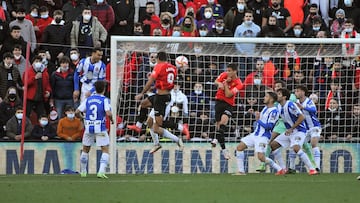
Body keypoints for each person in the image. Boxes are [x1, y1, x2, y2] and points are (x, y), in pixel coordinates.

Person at [134, 51, 184, 154]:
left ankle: (178, 136)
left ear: (158, 59)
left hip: (163, 99)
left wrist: (141, 93)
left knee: (157, 127)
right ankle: (154, 142)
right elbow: (168, 82)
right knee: (145, 109)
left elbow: (150, 81)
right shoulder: (173, 68)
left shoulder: (159, 66)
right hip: (161, 95)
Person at [270, 88, 318, 175]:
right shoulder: (279, 106)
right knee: (273, 145)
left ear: (284, 97)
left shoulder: (290, 105)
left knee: (296, 148)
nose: (277, 95)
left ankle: (312, 169)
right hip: (290, 132)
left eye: (279, 94)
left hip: (299, 131)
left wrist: (291, 128)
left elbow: (302, 117)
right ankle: (283, 169)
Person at [234, 92, 281, 175]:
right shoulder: (265, 108)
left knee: (261, 157)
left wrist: (258, 119)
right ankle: (241, 171)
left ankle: (280, 169)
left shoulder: (274, 112)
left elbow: (269, 126)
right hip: (255, 134)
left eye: (266, 96)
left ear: (272, 99)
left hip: (263, 137)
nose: (264, 98)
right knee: (239, 147)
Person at [76, 80, 114, 178]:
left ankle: (83, 172)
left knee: (85, 149)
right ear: (104, 89)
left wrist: (82, 118)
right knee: (105, 149)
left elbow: (77, 112)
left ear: (95, 89)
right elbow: (108, 113)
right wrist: (112, 120)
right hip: (100, 128)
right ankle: (101, 172)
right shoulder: (104, 99)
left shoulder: (88, 99)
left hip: (89, 127)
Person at [211, 63, 243, 160]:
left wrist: (224, 84)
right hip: (218, 102)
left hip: (229, 104)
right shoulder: (224, 75)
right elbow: (216, 81)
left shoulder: (239, 83)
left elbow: (229, 94)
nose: (227, 72)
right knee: (219, 128)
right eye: (227, 70)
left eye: (229, 71)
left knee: (223, 122)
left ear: (235, 71)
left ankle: (215, 139)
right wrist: (219, 83)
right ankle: (224, 150)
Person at [294, 85, 322, 172]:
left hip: (314, 126)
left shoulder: (309, 101)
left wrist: (303, 107)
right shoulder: (296, 102)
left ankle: (317, 167)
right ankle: (292, 167)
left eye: (298, 91)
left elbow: (314, 110)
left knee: (313, 143)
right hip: (305, 129)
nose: (296, 93)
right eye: (296, 91)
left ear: (303, 92)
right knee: (296, 146)